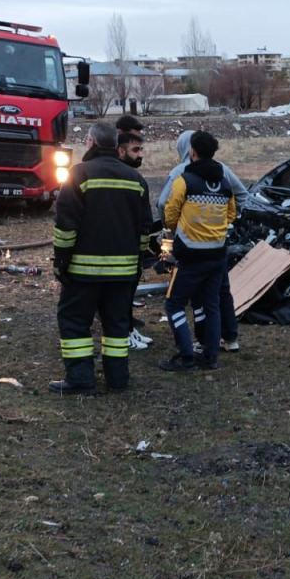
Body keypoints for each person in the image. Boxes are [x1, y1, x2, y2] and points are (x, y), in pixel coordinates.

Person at [50, 123, 152, 394]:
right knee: (117, 325)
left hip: (83, 272)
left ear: (91, 142)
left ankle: (81, 379)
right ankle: (118, 380)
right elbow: (145, 229)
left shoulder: (79, 174)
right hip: (124, 273)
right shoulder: (135, 179)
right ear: (116, 146)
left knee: (74, 322)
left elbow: (65, 226)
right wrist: (138, 261)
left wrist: (61, 261)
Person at [156, 130, 247, 354]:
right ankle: (225, 341)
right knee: (218, 296)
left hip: (191, 248)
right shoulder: (223, 173)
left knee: (181, 301)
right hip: (217, 247)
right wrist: (219, 227)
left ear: (189, 150)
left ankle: (194, 348)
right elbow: (237, 202)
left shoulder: (181, 174)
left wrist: (177, 230)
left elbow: (164, 205)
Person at [114, 117, 154, 350]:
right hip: (122, 249)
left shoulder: (132, 176)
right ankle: (122, 333)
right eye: (136, 149)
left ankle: (128, 328)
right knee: (119, 295)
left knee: (126, 293)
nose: (141, 155)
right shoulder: (128, 178)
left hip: (127, 248)